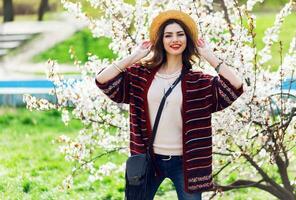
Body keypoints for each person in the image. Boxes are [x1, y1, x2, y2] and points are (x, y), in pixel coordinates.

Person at [95, 10, 244, 200]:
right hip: (149, 159)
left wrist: (208, 55)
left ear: (187, 40)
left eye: (180, 34)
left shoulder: (198, 82)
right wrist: (135, 56)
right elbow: (102, 80)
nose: (175, 39)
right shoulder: (140, 76)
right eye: (168, 35)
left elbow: (236, 85)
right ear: (161, 40)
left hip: (187, 164)